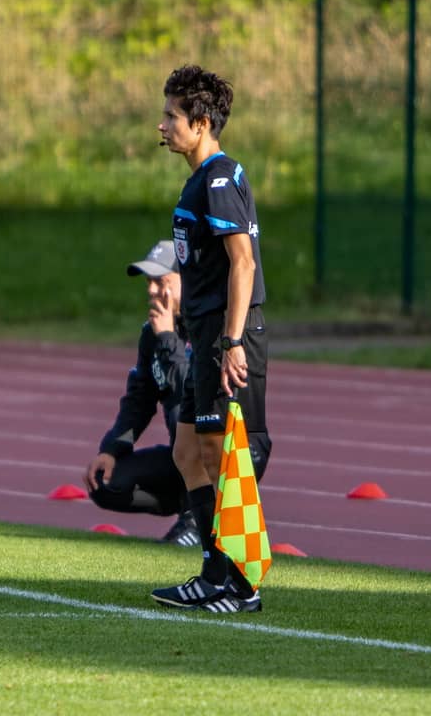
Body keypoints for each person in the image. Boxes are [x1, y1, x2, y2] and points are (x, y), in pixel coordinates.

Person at [149, 64, 272, 614]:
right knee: (186, 452)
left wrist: (232, 341)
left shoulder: (219, 179)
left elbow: (242, 264)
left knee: (221, 454)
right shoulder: (200, 178)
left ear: (200, 124)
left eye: (171, 116)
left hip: (227, 333)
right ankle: (211, 573)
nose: (162, 126)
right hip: (205, 333)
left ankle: (241, 585)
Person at [83, 241, 270, 547]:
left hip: (235, 452)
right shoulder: (154, 334)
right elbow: (139, 398)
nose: (152, 291)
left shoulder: (215, 328)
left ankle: (201, 517)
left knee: (184, 415)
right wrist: (112, 448)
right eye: (149, 282)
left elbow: (197, 398)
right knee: (107, 483)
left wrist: (169, 340)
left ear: (189, 280)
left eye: (161, 282)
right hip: (187, 453)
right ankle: (192, 507)